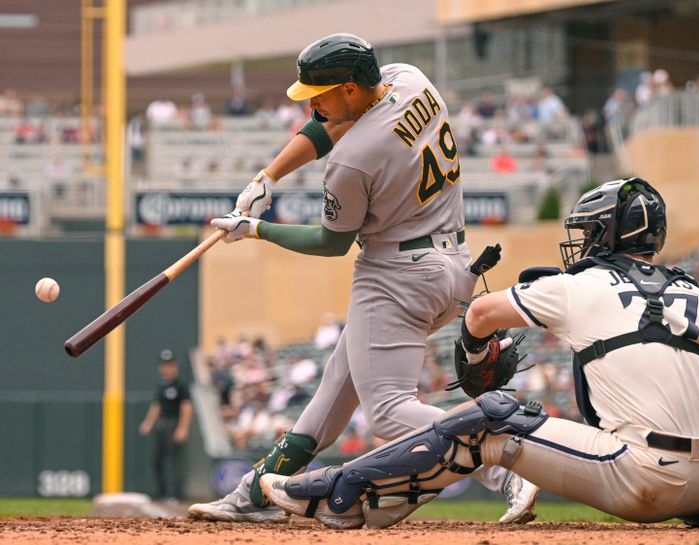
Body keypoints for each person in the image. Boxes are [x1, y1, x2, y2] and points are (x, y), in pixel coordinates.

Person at [260, 178, 699, 530]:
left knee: (490, 420)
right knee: (695, 456)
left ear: (607, 234)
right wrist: (698, 437)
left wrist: (473, 356)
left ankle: (340, 493)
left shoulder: (577, 286)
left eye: (589, 232)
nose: (581, 243)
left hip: (646, 480)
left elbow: (478, 314)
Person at [188, 32, 538, 524]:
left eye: (319, 93)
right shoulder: (407, 79)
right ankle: (256, 494)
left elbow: (332, 242)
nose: (312, 103)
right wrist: (268, 177)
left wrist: (256, 230)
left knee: (389, 413)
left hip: (395, 277)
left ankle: (510, 465)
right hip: (453, 266)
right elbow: (327, 125)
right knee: (334, 390)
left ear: (351, 88)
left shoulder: (352, 160)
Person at [139, 349, 193, 501]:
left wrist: (182, 427)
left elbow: (186, 406)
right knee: (157, 459)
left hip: (174, 422)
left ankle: (175, 494)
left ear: (174, 366)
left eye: (169, 364)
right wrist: (148, 423)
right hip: (161, 424)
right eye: (164, 365)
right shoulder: (161, 384)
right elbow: (156, 406)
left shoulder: (180, 385)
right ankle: (160, 492)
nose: (167, 368)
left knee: (174, 461)